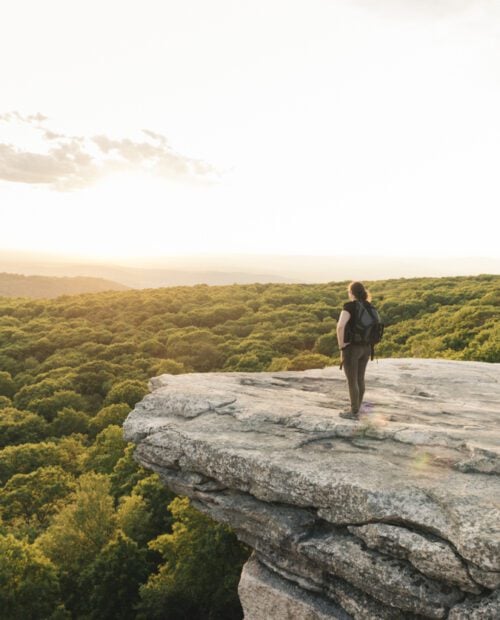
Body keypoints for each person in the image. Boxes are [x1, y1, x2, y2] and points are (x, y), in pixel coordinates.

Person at [336, 281, 373, 420]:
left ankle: (354, 412)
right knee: (360, 378)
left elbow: (340, 327)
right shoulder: (369, 306)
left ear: (351, 293)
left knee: (352, 380)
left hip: (352, 348)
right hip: (367, 348)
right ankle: (357, 407)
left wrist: (342, 345)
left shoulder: (349, 307)